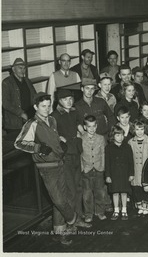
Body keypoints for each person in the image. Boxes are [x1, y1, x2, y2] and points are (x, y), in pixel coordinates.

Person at [14, 93, 79, 245]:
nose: (47, 109)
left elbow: (53, 138)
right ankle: (72, 218)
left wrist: (61, 143)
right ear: (36, 107)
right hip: (46, 167)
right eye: (43, 106)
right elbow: (19, 143)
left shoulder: (52, 119)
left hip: (59, 163)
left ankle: (59, 233)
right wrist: (39, 147)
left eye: (49, 106)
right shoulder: (32, 123)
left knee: (60, 200)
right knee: (58, 199)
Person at [50, 89, 90, 228]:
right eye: (65, 99)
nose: (69, 101)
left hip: (76, 153)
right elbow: (52, 137)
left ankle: (78, 218)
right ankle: (70, 221)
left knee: (79, 187)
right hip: (65, 156)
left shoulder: (74, 111)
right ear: (59, 101)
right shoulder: (54, 116)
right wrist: (59, 139)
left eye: (71, 98)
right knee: (70, 190)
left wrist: (82, 132)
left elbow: (78, 123)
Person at [80, 115, 108, 223]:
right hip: (86, 170)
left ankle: (100, 211)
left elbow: (103, 153)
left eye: (93, 126)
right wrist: (82, 168)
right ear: (85, 127)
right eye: (89, 126)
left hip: (98, 169)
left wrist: (103, 167)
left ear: (96, 126)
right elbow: (80, 154)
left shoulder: (101, 138)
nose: (91, 129)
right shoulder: (81, 139)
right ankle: (88, 213)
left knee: (100, 192)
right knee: (87, 194)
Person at [105, 125, 134, 221]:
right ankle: (116, 210)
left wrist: (131, 174)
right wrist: (108, 175)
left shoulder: (127, 147)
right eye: (117, 135)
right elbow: (107, 163)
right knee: (115, 192)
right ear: (113, 136)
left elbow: (131, 161)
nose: (120, 137)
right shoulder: (109, 148)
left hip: (124, 173)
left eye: (121, 135)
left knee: (124, 192)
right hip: (114, 174)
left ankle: (124, 210)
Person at [2, 58, 36, 134]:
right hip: (14, 123)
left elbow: (35, 97)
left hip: (28, 119)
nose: (22, 71)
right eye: (20, 68)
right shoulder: (6, 83)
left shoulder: (27, 81)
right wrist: (21, 113)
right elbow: (6, 104)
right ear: (13, 69)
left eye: (24, 68)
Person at [128, 120, 148, 216]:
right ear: (133, 130)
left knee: (146, 187)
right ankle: (140, 206)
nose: (139, 132)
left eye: (141, 129)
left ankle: (146, 205)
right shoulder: (131, 142)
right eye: (137, 129)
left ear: (145, 129)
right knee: (137, 188)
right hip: (135, 169)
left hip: (146, 169)